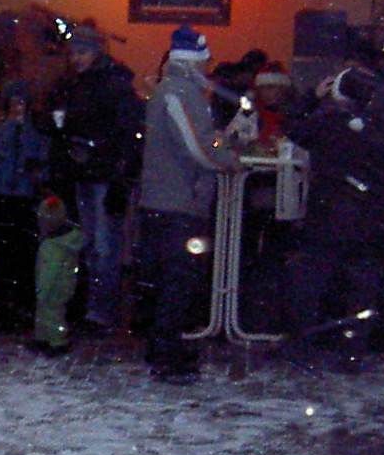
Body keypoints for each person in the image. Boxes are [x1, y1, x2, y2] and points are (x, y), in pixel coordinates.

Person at [280, 64, 384, 371]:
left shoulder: (326, 125)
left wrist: (311, 98)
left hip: (327, 215)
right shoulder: (382, 131)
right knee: (362, 289)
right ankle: (352, 349)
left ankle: (300, 345)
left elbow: (292, 126)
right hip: (368, 220)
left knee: (310, 283)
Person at [139, 25, 240, 384]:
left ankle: (161, 348)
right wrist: (226, 157)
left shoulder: (173, 90)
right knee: (178, 282)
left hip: (165, 200)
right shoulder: (182, 93)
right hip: (179, 202)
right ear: (194, 61)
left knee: (167, 281)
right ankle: (167, 355)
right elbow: (196, 148)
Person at [47, 24, 144, 331]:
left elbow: (126, 133)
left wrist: (118, 172)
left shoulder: (108, 86)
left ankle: (100, 309)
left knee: (101, 245)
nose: (76, 58)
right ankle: (95, 307)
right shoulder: (79, 85)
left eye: (82, 52)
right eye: (73, 53)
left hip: (101, 173)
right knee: (93, 244)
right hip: (87, 172)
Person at [0, 82, 49, 334]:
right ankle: (6, 293)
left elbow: (42, 159)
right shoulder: (1, 128)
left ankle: (22, 295)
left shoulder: (35, 132)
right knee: (3, 245)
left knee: (24, 246)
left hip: (24, 193)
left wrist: (37, 174)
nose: (17, 106)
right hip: (3, 192)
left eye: (21, 101)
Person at [28, 193, 85, 355]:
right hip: (60, 285)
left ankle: (58, 342)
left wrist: (43, 289)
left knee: (52, 313)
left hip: (53, 287)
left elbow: (50, 272)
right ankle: (43, 338)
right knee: (47, 312)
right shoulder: (62, 243)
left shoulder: (54, 246)